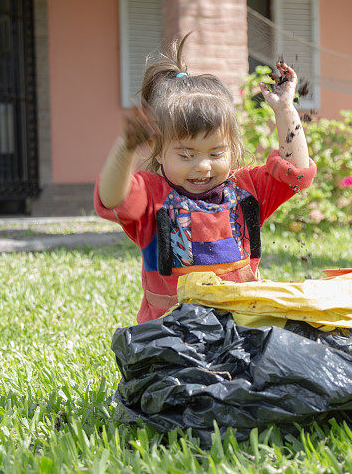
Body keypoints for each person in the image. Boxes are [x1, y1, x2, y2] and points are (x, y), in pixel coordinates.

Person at [94, 35, 316, 324]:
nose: (202, 166)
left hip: (242, 329)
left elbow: (296, 172)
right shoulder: (151, 197)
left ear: (233, 150)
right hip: (174, 338)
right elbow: (112, 198)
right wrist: (125, 148)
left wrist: (286, 109)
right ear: (159, 153)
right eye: (186, 155)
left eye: (216, 153)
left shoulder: (247, 190)